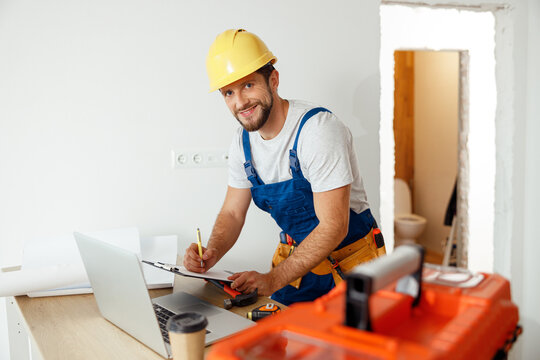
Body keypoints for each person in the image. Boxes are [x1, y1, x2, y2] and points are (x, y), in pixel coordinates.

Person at [183, 29, 386, 305]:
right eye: (228, 92)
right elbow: (232, 212)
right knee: (280, 340)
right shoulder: (242, 143)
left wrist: (273, 279)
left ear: (273, 80)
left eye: (248, 85)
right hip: (298, 266)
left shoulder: (317, 131)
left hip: (353, 264)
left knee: (352, 344)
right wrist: (211, 254)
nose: (240, 102)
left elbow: (334, 227)